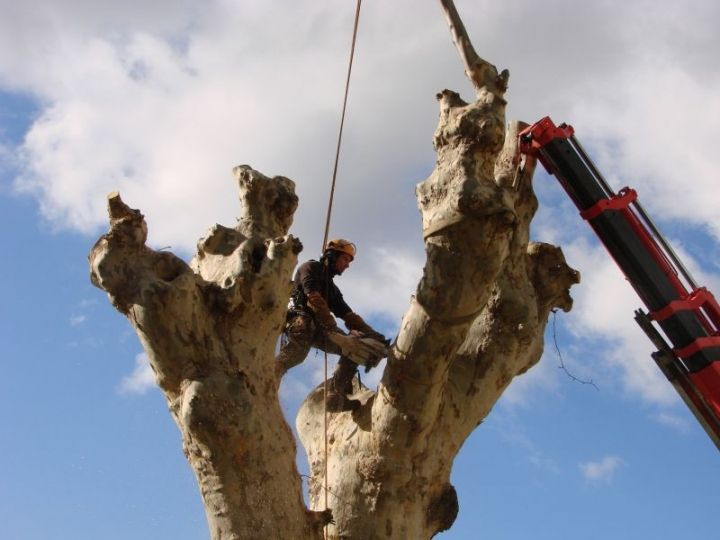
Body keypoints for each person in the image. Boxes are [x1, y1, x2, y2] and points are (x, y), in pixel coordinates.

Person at [276, 238, 387, 412]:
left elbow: (349, 316)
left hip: (319, 327)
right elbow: (313, 297)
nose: (347, 265)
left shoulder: (333, 289)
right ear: (332, 255)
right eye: (345, 259)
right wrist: (333, 328)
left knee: (354, 347)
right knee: (304, 332)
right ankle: (275, 368)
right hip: (297, 318)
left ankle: (336, 395)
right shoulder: (310, 268)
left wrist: (375, 337)